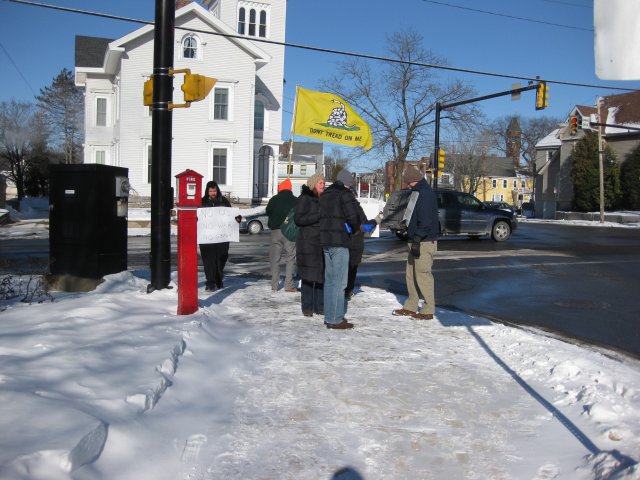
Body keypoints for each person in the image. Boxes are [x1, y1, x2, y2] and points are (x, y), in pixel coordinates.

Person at [392, 166, 439, 320]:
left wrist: (417, 238)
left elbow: (425, 220)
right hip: (415, 240)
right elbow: (411, 214)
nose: (407, 185)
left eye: (408, 182)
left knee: (423, 275)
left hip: (424, 241)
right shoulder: (416, 192)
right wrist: (405, 228)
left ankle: (428, 309)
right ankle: (411, 306)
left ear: (414, 180)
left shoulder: (425, 193)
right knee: (411, 275)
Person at [319, 169, 361, 329]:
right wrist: (355, 228)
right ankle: (336, 319)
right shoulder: (345, 194)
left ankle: (329, 316)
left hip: (325, 241)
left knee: (329, 281)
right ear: (347, 183)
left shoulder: (325, 195)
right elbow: (353, 217)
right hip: (340, 241)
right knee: (339, 282)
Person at [294, 172, 326, 317]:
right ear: (313, 184)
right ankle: (307, 307)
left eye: (324, 183)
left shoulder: (323, 199)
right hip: (307, 243)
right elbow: (298, 219)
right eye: (320, 183)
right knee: (308, 276)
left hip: (321, 242)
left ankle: (320, 307)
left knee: (320, 276)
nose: (323, 185)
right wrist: (318, 216)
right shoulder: (304, 199)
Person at [199, 180, 240, 291]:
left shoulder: (224, 201)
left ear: (217, 190)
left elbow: (232, 215)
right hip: (206, 238)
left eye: (214, 190)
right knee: (208, 260)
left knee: (221, 257)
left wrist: (237, 218)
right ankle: (210, 282)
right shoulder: (202, 202)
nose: (213, 193)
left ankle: (218, 277)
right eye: (211, 191)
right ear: (207, 191)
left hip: (222, 237)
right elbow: (196, 217)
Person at [345, 192, 380, 300]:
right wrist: (376, 220)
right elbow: (364, 227)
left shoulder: (335, 206)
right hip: (355, 242)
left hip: (340, 242)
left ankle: (342, 290)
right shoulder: (355, 207)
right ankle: (348, 291)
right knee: (352, 268)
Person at [266, 178, 298, 292]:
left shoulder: (274, 199)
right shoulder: (295, 200)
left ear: (280, 188)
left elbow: (267, 211)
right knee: (290, 258)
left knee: (275, 259)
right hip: (290, 232)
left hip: (276, 231)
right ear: (290, 188)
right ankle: (288, 284)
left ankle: (274, 285)